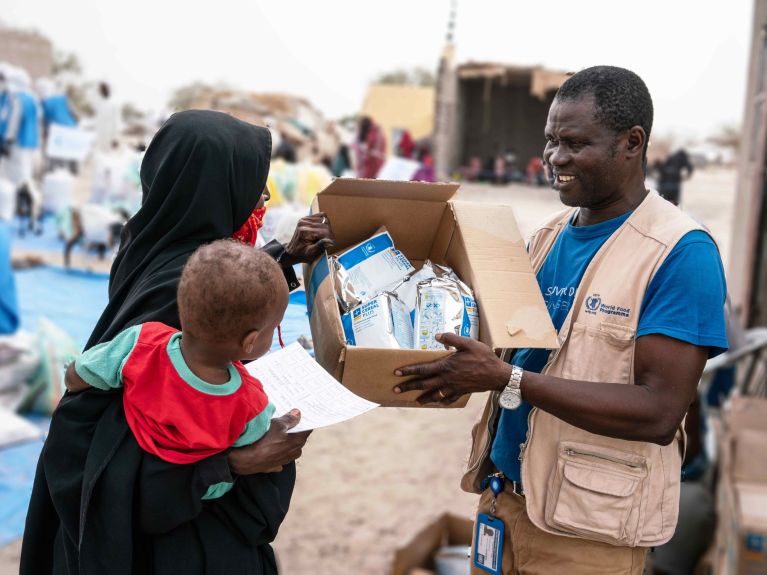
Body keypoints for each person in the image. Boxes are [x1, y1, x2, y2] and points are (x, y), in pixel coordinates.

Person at [393, 66, 728, 575]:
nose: (554, 158)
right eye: (550, 141)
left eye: (573, 143)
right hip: (501, 504)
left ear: (632, 143)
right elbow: (507, 353)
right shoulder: (547, 237)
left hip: (587, 536)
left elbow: (659, 412)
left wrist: (510, 379)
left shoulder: (680, 253)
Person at [21, 109, 335, 575]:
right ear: (212, 187)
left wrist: (283, 258)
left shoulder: (152, 242)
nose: (264, 196)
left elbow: (215, 292)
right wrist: (234, 464)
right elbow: (111, 449)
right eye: (252, 182)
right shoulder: (174, 289)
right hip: (172, 543)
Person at [64, 240, 288, 500]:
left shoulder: (141, 342)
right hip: (195, 490)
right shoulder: (251, 404)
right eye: (274, 327)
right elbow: (258, 448)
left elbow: (79, 374)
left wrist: (72, 376)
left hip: (132, 461)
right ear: (250, 342)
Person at [93, 81, 120, 152]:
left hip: (109, 133)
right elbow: (97, 119)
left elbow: (115, 122)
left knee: (107, 152)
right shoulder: (99, 103)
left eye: (100, 89)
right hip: (100, 132)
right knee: (100, 151)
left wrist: (114, 137)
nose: (99, 91)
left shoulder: (113, 103)